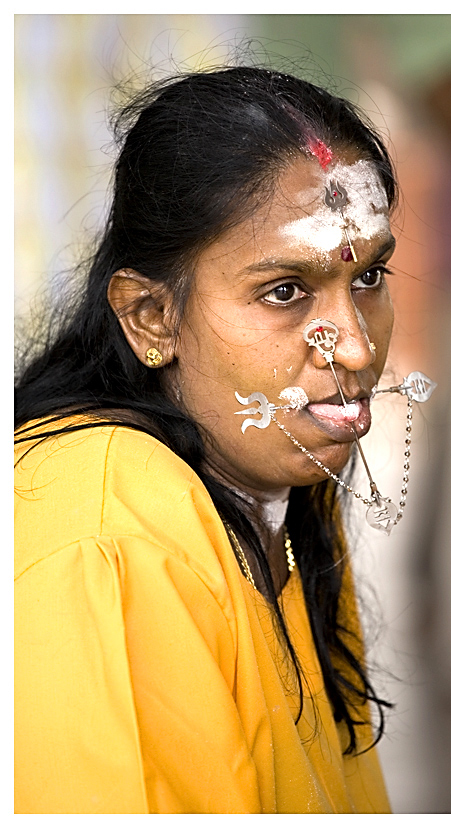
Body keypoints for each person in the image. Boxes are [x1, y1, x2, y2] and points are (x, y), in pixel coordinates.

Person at [15, 66, 399, 814]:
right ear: (151, 318)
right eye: (285, 291)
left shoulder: (275, 486)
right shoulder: (104, 533)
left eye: (369, 276)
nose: (352, 348)